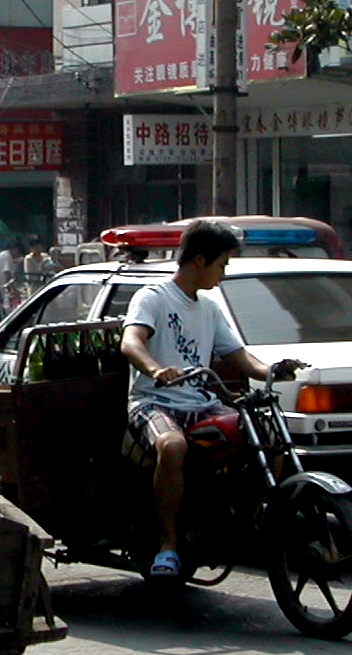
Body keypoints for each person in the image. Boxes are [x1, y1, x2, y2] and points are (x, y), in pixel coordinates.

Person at [120, 219, 302, 579]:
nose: (224, 273)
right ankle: (168, 545)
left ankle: (244, 521)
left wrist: (271, 372)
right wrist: (156, 370)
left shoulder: (209, 309)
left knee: (268, 438)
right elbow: (131, 342)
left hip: (200, 403)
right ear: (200, 260)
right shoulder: (153, 297)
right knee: (172, 447)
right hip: (153, 402)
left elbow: (240, 357)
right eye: (222, 264)